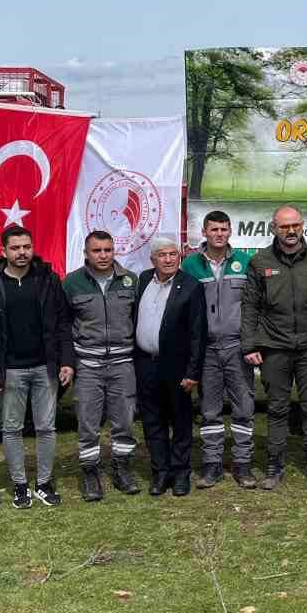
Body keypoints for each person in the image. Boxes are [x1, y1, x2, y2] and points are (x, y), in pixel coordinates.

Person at [0, 225, 73, 510]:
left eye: (26, 247)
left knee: (46, 428)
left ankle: (43, 483)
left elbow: (64, 323)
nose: (22, 252)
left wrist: (66, 361)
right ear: (3, 251)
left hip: (45, 368)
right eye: (15, 248)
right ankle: (20, 485)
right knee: (12, 429)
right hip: (10, 371)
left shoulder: (48, 280)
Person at [242, 205, 307, 489]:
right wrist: (249, 344)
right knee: (278, 408)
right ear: (273, 228)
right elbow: (250, 306)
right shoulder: (260, 261)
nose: (290, 231)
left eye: (295, 225)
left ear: (302, 226)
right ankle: (274, 465)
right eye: (284, 226)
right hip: (274, 347)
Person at [181, 211, 260, 489]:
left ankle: (242, 465)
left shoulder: (244, 262)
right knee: (210, 410)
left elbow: (253, 307)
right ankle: (212, 465)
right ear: (204, 232)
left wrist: (252, 342)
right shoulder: (190, 265)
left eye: (224, 229)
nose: (219, 234)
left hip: (237, 346)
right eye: (213, 229)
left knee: (244, 408)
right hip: (207, 349)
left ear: (230, 232)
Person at [62, 230, 140, 502]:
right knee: (88, 423)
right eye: (97, 251)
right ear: (86, 253)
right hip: (88, 365)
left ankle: (121, 469)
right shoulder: (72, 283)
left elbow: (139, 320)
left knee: (124, 421)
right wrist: (68, 363)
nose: (103, 255)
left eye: (108, 250)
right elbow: (63, 326)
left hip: (122, 364)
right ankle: (90, 473)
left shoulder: (130, 281)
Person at [133, 237, 207, 497]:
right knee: (152, 421)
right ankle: (160, 472)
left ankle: (180, 473)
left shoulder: (191, 286)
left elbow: (199, 333)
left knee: (181, 421)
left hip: (178, 367)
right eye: (162, 255)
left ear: (180, 256)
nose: (168, 259)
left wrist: (193, 372)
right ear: (152, 259)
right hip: (145, 364)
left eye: (173, 254)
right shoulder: (142, 280)